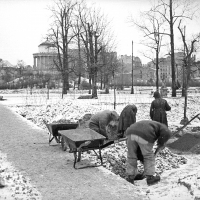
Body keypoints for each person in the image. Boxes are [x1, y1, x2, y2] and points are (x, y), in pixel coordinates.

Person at [125, 120, 172, 186]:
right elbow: (165, 135)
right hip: (144, 135)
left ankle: (130, 177)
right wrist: (161, 143)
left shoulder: (154, 124)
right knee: (148, 155)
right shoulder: (165, 129)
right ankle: (150, 178)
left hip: (130, 133)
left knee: (131, 155)